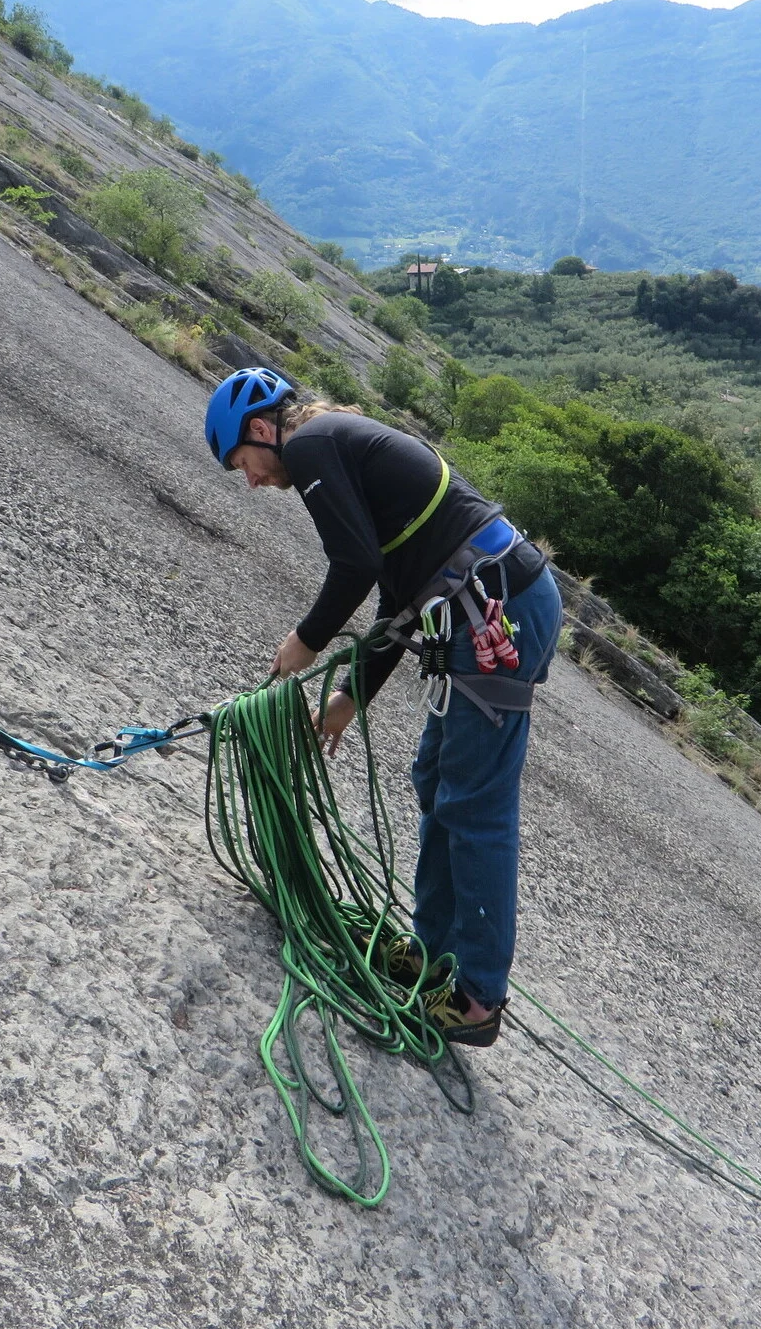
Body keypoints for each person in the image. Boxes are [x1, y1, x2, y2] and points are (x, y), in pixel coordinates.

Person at [205, 368, 563, 1047]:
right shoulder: (338, 441)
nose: (249, 480)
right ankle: (435, 958)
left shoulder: (309, 445)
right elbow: (398, 593)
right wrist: (349, 698)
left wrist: (307, 639)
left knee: (475, 803)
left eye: (241, 463)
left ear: (259, 429)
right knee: (437, 781)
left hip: (494, 614)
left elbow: (356, 564)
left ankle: (479, 996)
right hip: (485, 605)